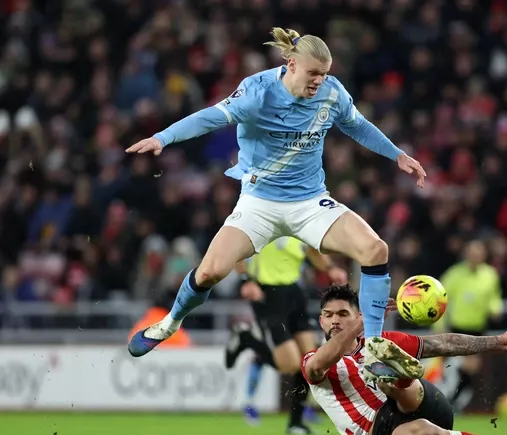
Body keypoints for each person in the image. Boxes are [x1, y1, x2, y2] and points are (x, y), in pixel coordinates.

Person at [126, 27, 426, 383]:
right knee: (209, 273)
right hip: (259, 204)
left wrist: (397, 154)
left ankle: (374, 349)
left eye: (324, 73)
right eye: (313, 73)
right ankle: (169, 323)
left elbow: (357, 125)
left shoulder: (331, 93)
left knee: (375, 249)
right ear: (291, 65)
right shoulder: (258, 91)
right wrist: (163, 138)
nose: (319, 80)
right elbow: (210, 117)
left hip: (310, 202)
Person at [301, 285, 507, 435]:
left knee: (390, 375)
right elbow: (317, 366)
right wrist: (364, 322)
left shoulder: (380, 341)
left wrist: (498, 341)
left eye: (343, 314)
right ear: (321, 320)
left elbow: (442, 343)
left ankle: (398, 377)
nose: (335, 320)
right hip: (376, 432)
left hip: (424, 401)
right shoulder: (312, 360)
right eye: (329, 315)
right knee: (423, 431)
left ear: (357, 315)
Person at [225, 236, 348, 434]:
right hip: (266, 293)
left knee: (310, 362)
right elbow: (237, 249)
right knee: (290, 364)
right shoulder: (264, 224)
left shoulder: (299, 226)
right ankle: (245, 338)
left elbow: (312, 251)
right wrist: (245, 280)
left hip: (294, 293)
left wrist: (330, 268)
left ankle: (295, 423)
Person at [434, 240, 503, 408]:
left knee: (470, 369)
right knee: (454, 368)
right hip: (456, 329)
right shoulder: (454, 274)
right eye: (472, 252)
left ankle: (455, 402)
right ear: (466, 254)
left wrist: (496, 309)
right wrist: (439, 326)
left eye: (478, 253)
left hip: (477, 329)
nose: (475, 256)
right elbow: (440, 299)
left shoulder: (490, 275)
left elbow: (494, 298)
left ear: (484, 255)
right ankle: (448, 401)